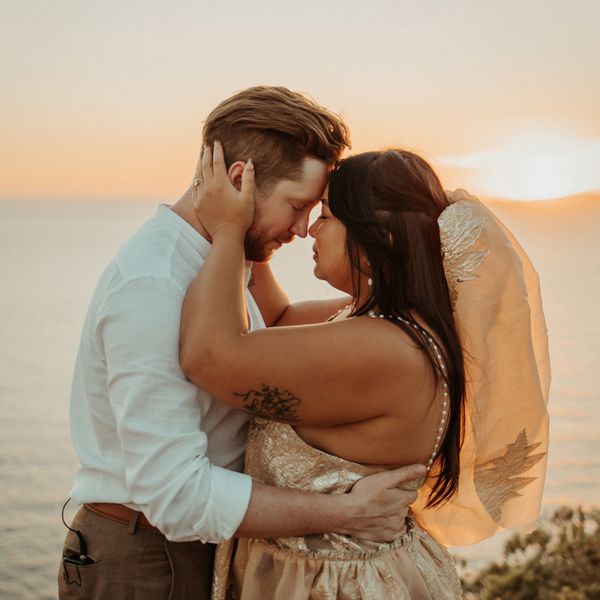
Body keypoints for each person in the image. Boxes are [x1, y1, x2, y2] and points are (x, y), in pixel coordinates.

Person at [58, 87, 425, 600]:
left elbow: (273, 329)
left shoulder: (219, 260)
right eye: (297, 207)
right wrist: (348, 512)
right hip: (149, 560)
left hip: (197, 547)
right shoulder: (155, 282)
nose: (303, 229)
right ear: (238, 182)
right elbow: (174, 496)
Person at [180, 143, 551, 599]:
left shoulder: (383, 349)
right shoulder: (377, 323)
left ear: (379, 237)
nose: (312, 227)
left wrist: (227, 230)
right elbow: (273, 319)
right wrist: (257, 229)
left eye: (329, 216)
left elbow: (209, 359)